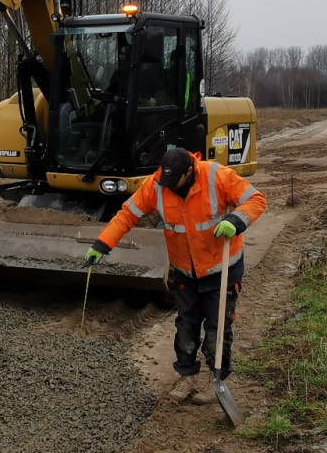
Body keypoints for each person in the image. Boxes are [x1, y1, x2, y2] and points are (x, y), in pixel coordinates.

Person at [85, 148, 266, 404]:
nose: (167, 187)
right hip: (185, 271)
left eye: (174, 182)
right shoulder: (157, 183)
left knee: (217, 329)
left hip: (220, 269)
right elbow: (128, 215)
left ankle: (216, 381)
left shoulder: (217, 176)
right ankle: (187, 378)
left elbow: (256, 199)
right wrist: (102, 244)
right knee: (185, 326)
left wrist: (236, 220)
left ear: (190, 171)